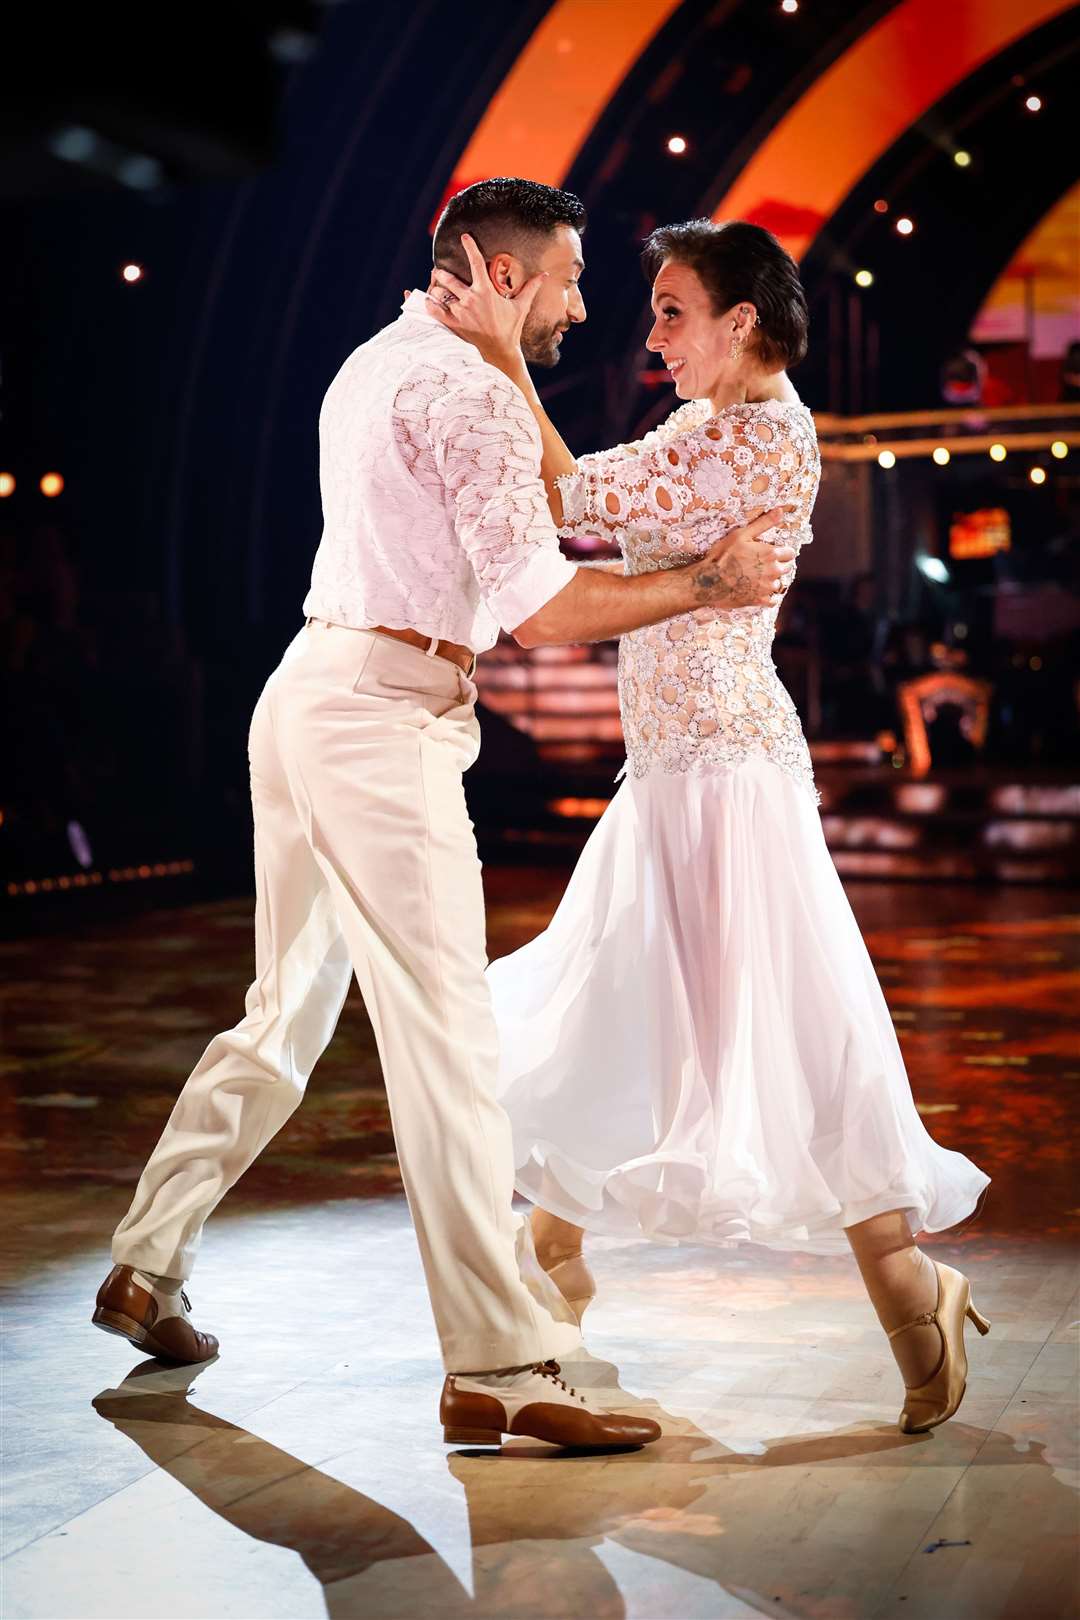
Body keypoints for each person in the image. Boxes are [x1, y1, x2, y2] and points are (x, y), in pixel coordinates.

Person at [92, 179, 795, 1452]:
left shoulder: (375, 359)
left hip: (305, 692)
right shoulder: (468, 393)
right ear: (505, 274)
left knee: (281, 1014)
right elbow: (542, 610)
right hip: (383, 714)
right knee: (451, 1043)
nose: (589, 309)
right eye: (574, 279)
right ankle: (502, 1361)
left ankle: (147, 1262)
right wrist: (704, 583)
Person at [427, 218, 991, 1436]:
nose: (652, 334)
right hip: (672, 769)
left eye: (674, 311)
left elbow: (570, 487)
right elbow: (583, 506)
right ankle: (547, 1294)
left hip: (730, 775)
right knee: (618, 1004)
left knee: (787, 1025)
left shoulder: (761, 436)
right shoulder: (700, 426)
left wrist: (503, 358)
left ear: (741, 322)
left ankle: (910, 1295)